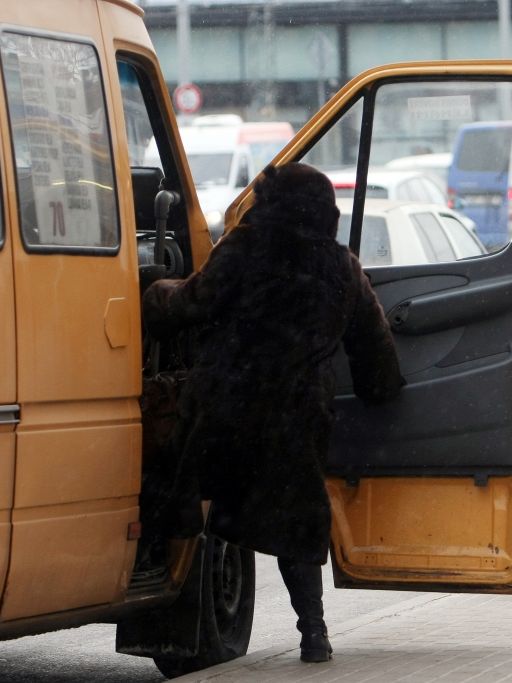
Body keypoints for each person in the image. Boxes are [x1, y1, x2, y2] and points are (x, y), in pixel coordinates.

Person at [142, 162, 404, 663]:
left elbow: (190, 305)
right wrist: (382, 394)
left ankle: (161, 577)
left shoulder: (243, 249)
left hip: (224, 406)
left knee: (183, 487)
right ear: (326, 214)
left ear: (270, 204)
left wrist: (156, 294)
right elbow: (375, 353)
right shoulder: (342, 267)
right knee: (296, 522)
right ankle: (314, 633)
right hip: (296, 416)